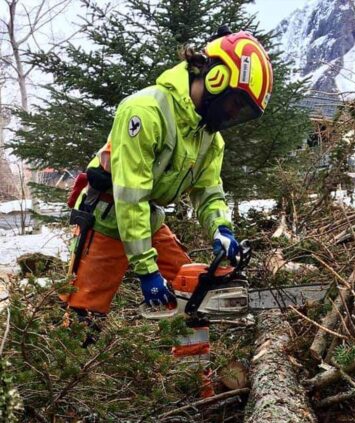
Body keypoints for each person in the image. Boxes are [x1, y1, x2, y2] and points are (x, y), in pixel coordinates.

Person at [61, 25, 273, 395]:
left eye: (242, 113)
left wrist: (222, 229)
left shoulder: (209, 136)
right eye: (234, 105)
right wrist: (146, 270)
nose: (232, 116)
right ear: (215, 76)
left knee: (194, 290)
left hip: (148, 217)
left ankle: (191, 383)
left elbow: (209, 192)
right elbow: (130, 198)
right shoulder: (145, 110)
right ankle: (61, 388)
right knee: (85, 316)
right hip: (108, 216)